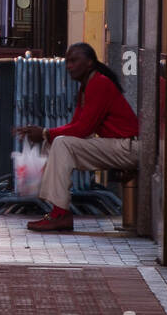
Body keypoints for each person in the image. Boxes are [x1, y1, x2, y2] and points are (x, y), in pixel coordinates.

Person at [16, 43, 139, 233]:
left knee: (61, 142)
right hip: (119, 146)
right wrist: (45, 135)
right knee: (60, 142)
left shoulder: (100, 84)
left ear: (89, 63)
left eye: (74, 61)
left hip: (129, 148)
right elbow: (76, 128)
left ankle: (59, 212)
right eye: (67, 62)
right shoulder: (86, 87)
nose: (69, 66)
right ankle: (54, 206)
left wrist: (45, 133)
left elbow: (82, 129)